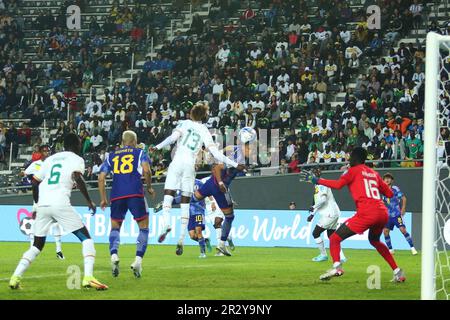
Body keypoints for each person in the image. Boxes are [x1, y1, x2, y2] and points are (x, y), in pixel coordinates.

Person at [9, 133, 107, 290]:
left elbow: (35, 182)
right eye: (80, 143)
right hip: (60, 203)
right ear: (76, 144)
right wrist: (89, 201)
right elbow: (77, 177)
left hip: (43, 205)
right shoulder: (76, 159)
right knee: (86, 238)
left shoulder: (50, 159)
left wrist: (37, 204)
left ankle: (15, 277)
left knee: (36, 245)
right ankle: (88, 277)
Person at [299, 147, 405, 282]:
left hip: (367, 213)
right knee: (375, 241)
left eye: (350, 157)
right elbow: (389, 194)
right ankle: (397, 271)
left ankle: (337, 266)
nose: (348, 159)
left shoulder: (352, 172)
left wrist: (317, 180)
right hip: (382, 213)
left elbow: (337, 185)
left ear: (355, 158)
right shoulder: (374, 173)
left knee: (335, 239)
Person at [151, 102, 244, 256]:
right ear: (204, 116)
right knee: (187, 202)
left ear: (191, 114)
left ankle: (165, 224)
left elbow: (172, 137)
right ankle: (181, 238)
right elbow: (217, 154)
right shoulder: (205, 130)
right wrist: (235, 163)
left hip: (178, 160)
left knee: (169, 196)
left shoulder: (184, 123)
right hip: (190, 165)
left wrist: (158, 146)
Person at [98, 130, 155, 278]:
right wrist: (148, 187)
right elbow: (147, 171)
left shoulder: (111, 156)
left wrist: (103, 198)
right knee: (144, 227)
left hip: (116, 195)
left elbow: (101, 177)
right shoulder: (140, 153)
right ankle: (137, 260)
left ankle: (114, 255)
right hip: (135, 193)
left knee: (115, 227)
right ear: (135, 141)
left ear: (123, 142)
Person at [192, 129, 251, 256]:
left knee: (194, 198)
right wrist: (220, 183)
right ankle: (222, 245)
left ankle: (169, 202)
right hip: (219, 187)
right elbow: (218, 168)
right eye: (251, 147)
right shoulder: (238, 156)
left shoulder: (236, 150)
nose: (252, 150)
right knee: (229, 217)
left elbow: (227, 153)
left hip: (210, 183)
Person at [23, 145, 65, 259]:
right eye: (45, 151)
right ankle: (32, 247)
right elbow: (24, 173)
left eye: (48, 151)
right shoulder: (35, 164)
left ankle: (59, 250)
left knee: (56, 223)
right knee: (35, 221)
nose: (47, 152)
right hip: (39, 197)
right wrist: (28, 178)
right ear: (41, 152)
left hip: (51, 196)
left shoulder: (52, 164)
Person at [306, 168, 346, 263]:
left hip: (329, 214)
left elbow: (323, 200)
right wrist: (313, 214)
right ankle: (342, 257)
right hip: (332, 213)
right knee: (332, 236)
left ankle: (323, 255)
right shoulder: (318, 184)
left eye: (310, 176)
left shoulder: (322, 184)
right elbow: (319, 202)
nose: (309, 178)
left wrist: (313, 207)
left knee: (315, 233)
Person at [382, 173, 417, 255]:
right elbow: (383, 202)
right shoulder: (383, 190)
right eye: (385, 178)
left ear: (392, 180)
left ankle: (412, 248)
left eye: (389, 178)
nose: (387, 180)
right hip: (388, 215)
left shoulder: (395, 189)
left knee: (403, 230)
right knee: (385, 231)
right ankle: (390, 250)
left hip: (397, 214)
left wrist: (403, 208)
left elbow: (403, 198)